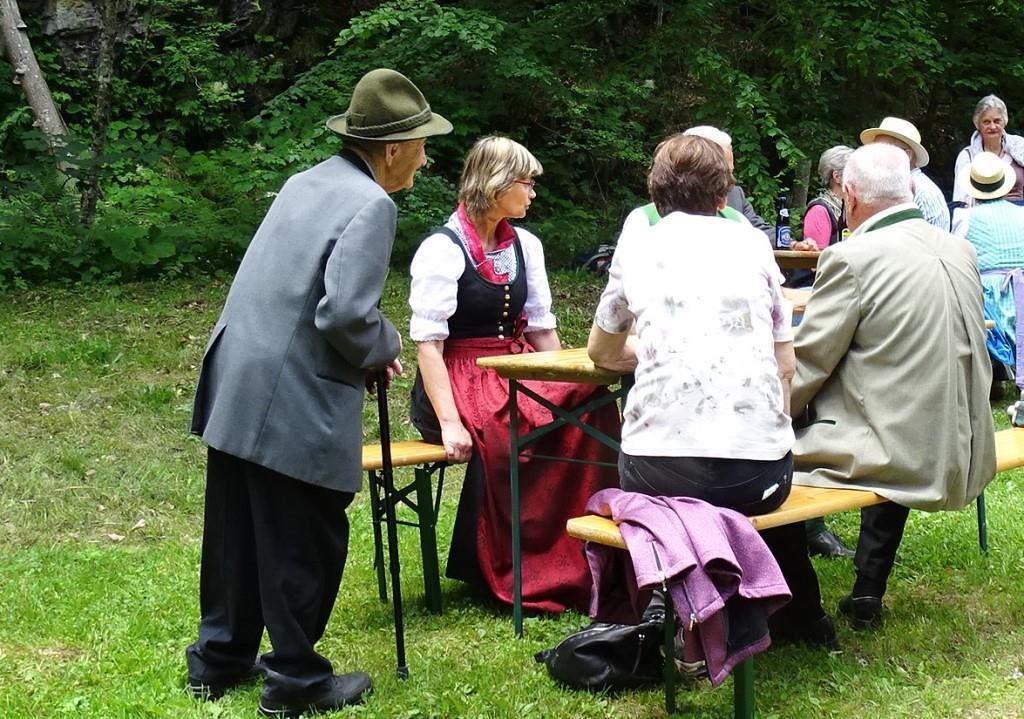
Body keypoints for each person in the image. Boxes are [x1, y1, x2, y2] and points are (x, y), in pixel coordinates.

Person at [185, 69, 451, 717]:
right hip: (290, 395)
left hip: (237, 378)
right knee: (304, 535)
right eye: (421, 145)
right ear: (393, 149)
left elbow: (298, 291)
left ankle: (218, 662)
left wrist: (364, 344)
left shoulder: (306, 181)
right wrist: (384, 345)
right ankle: (296, 682)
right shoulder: (372, 204)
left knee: (236, 530)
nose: (425, 158)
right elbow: (344, 314)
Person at [587, 134, 837, 649]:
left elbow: (601, 350)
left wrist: (654, 350)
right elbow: (785, 363)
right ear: (724, 194)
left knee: (661, 485)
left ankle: (670, 610)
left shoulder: (638, 245)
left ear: (656, 193)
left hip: (657, 470)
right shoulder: (752, 243)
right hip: (758, 475)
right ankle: (799, 611)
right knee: (766, 462)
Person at [408, 136, 620, 613]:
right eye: (527, 182)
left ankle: (582, 558)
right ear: (497, 184)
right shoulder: (442, 250)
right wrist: (449, 423)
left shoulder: (525, 244)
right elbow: (428, 344)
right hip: (459, 373)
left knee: (593, 407)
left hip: (514, 363)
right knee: (512, 430)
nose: (533, 193)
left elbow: (542, 330)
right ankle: (515, 564)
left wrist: (572, 381)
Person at [792, 143, 996, 629]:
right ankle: (867, 589)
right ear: (910, 189)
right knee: (891, 407)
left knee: (759, 459)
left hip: (899, 453)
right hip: (963, 446)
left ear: (849, 195)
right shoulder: (960, 249)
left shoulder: (850, 257)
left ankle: (797, 612)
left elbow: (808, 365)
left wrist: (759, 416)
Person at [618, 125, 774, 242]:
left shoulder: (737, 207)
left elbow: (761, 231)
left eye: (730, 172)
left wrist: (787, 240)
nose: (730, 181)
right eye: (722, 172)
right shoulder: (644, 220)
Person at [952, 151, 1024, 396]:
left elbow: (958, 256)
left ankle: (991, 377)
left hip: (989, 294)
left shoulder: (965, 218)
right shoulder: (1021, 213)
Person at [860, 117, 950, 230]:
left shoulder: (922, 192)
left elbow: (931, 240)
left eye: (881, 150)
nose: (874, 156)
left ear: (906, 156)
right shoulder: (896, 186)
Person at [953, 95, 1024, 206]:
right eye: (986, 122)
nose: (992, 126)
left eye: (997, 121)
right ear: (978, 125)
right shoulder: (967, 156)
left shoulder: (1020, 147)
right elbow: (961, 200)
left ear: (1004, 122)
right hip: (983, 214)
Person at [794, 145, 854, 251]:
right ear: (837, 177)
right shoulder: (819, 210)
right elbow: (816, 258)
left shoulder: (851, 207)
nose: (861, 176)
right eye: (854, 172)